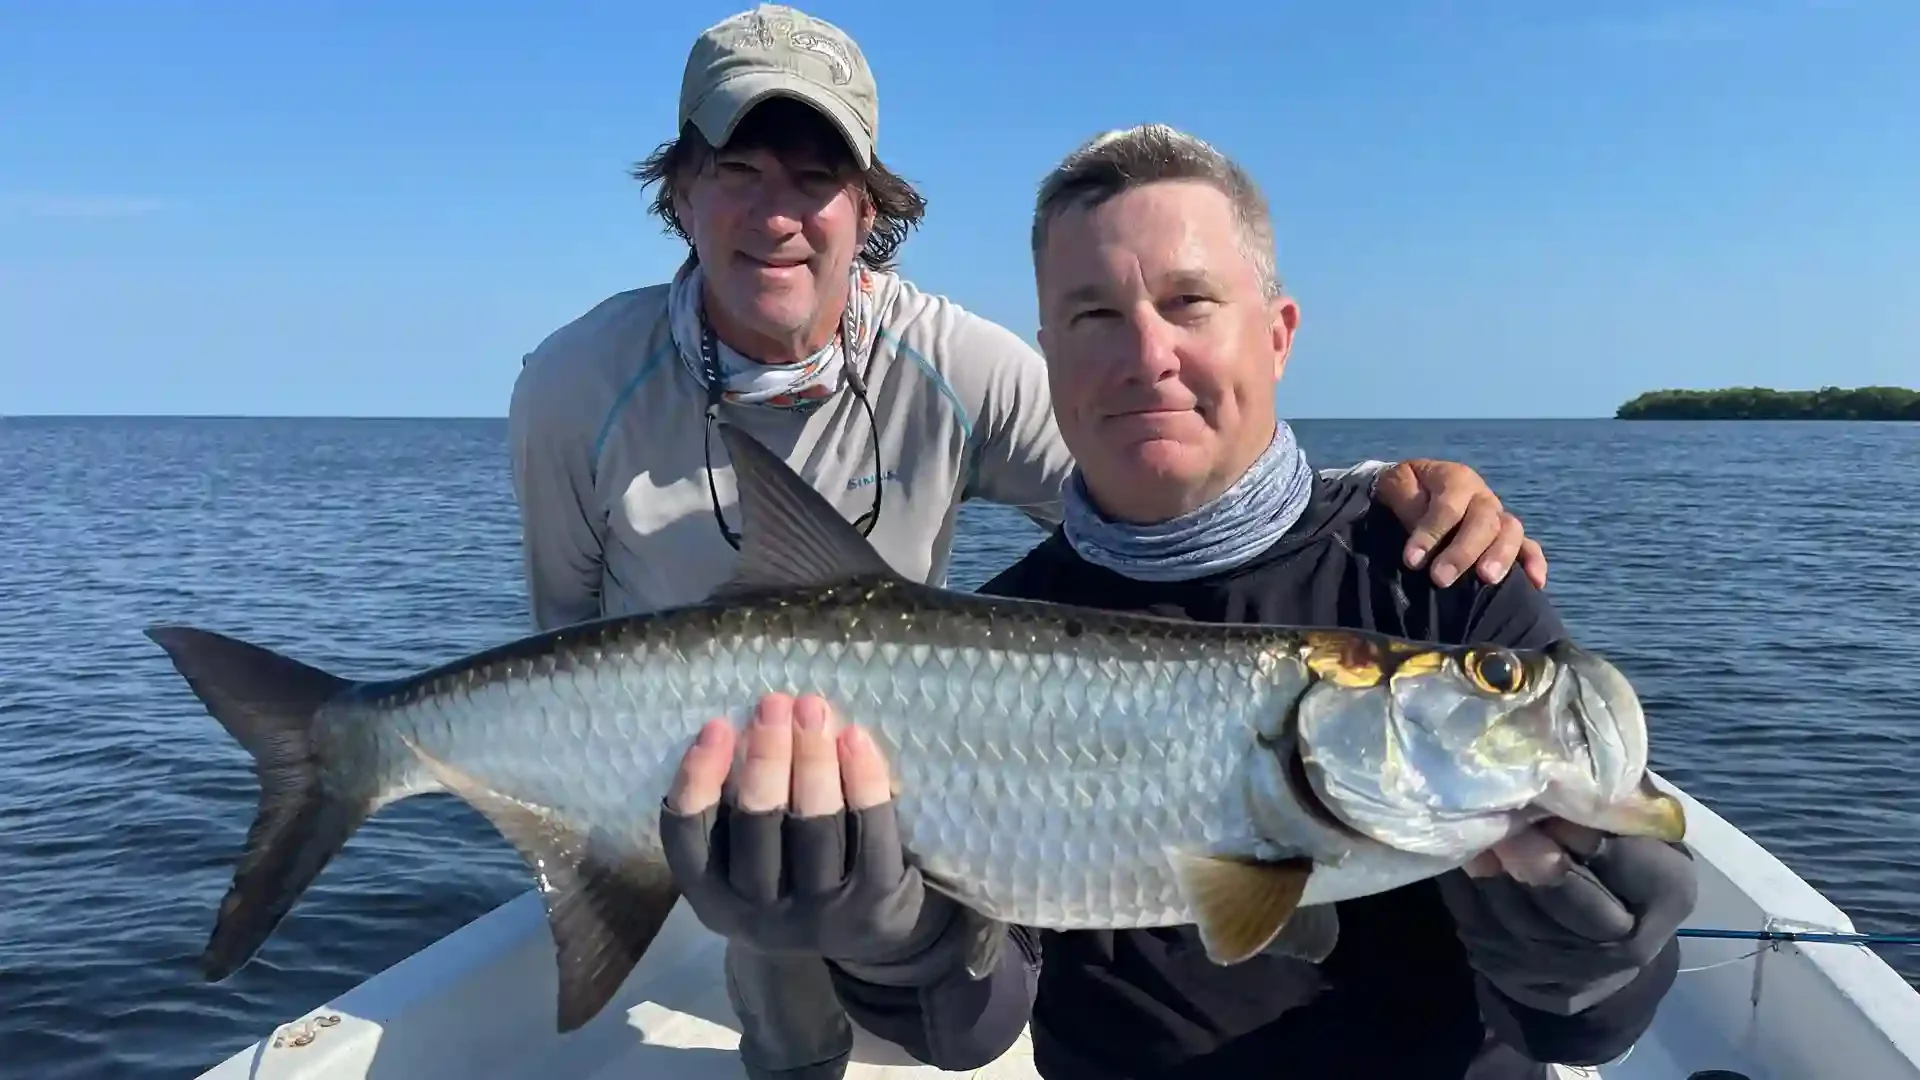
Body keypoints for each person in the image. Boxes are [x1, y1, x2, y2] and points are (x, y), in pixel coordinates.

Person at [510, 6, 1557, 1076]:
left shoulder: (963, 361)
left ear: (867, 208)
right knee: (780, 973)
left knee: (888, 924)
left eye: (816, 177)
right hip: (673, 752)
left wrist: (1370, 494)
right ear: (679, 190)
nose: (778, 212)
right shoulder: (570, 384)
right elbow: (563, 615)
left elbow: (1158, 484)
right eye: (738, 168)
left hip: (906, 731)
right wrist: (600, 798)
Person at [657, 122, 1699, 1080]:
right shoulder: (1000, 633)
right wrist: (886, 936)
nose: (1146, 353)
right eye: (1094, 315)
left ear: (1279, 334)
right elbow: (972, 1026)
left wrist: (1594, 954)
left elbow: (1583, 1031)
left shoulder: (1438, 566)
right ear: (1050, 358)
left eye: (1190, 303)